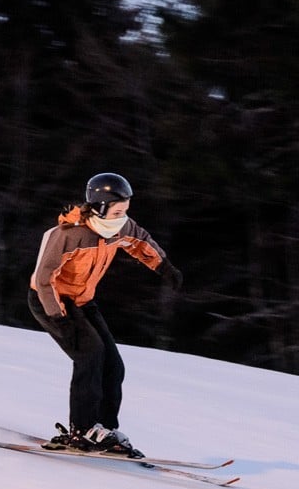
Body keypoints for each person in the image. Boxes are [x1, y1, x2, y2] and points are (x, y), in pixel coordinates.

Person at [28, 172, 183, 457]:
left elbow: (141, 242)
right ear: (100, 208)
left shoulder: (119, 228)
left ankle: (104, 430)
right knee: (90, 354)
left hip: (83, 302)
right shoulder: (68, 234)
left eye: (126, 210)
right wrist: (60, 319)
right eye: (118, 210)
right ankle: (82, 430)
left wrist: (164, 267)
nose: (124, 216)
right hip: (52, 301)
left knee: (113, 365)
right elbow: (43, 280)